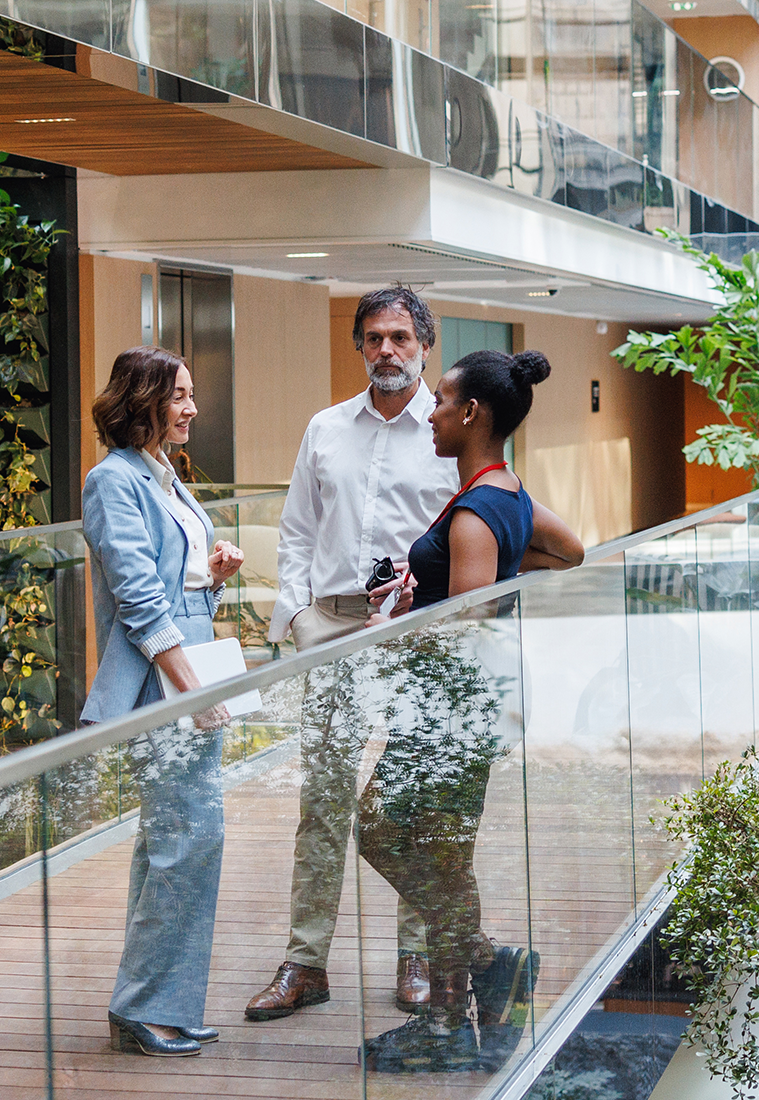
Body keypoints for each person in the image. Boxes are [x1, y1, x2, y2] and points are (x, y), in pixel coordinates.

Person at [356, 348, 585, 1073]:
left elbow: (462, 631)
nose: (432, 412)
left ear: (472, 413)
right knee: (442, 857)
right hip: (470, 716)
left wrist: (388, 630)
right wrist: (434, 586)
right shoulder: (505, 493)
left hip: (446, 718)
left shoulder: (476, 514)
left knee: (379, 832)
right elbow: (571, 550)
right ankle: (451, 1024)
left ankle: (489, 966)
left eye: (443, 401)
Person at [245, 287, 459, 1023]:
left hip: (416, 633)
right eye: (374, 338)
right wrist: (300, 615)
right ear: (360, 346)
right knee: (323, 797)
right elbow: (296, 529)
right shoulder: (326, 427)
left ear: (425, 344)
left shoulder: (449, 432)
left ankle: (418, 952)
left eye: (400, 337)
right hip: (331, 626)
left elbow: (476, 536)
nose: (387, 351)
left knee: (414, 799)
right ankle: (305, 964)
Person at [81, 346, 245, 1058]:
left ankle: (155, 1004)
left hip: (186, 664)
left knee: (173, 839)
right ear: (142, 400)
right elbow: (138, 599)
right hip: (166, 679)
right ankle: (147, 1006)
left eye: (190, 395)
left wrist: (212, 573)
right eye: (178, 396)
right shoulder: (111, 480)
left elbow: (173, 586)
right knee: (189, 838)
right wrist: (190, 688)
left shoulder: (164, 476)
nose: (191, 408)